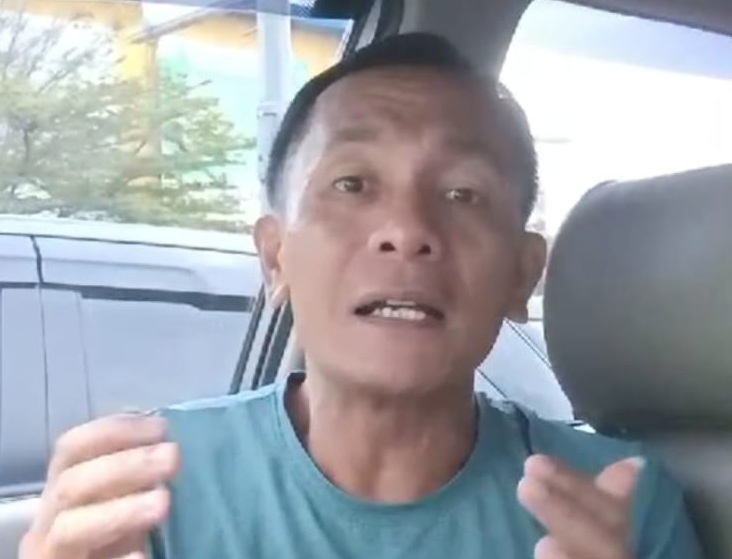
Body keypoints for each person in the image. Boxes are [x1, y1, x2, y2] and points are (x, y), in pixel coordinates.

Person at [21, 33, 702, 559]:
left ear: (522, 275)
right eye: (352, 184)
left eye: (462, 193)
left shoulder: (619, 503)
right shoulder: (148, 488)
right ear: (275, 256)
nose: (407, 230)